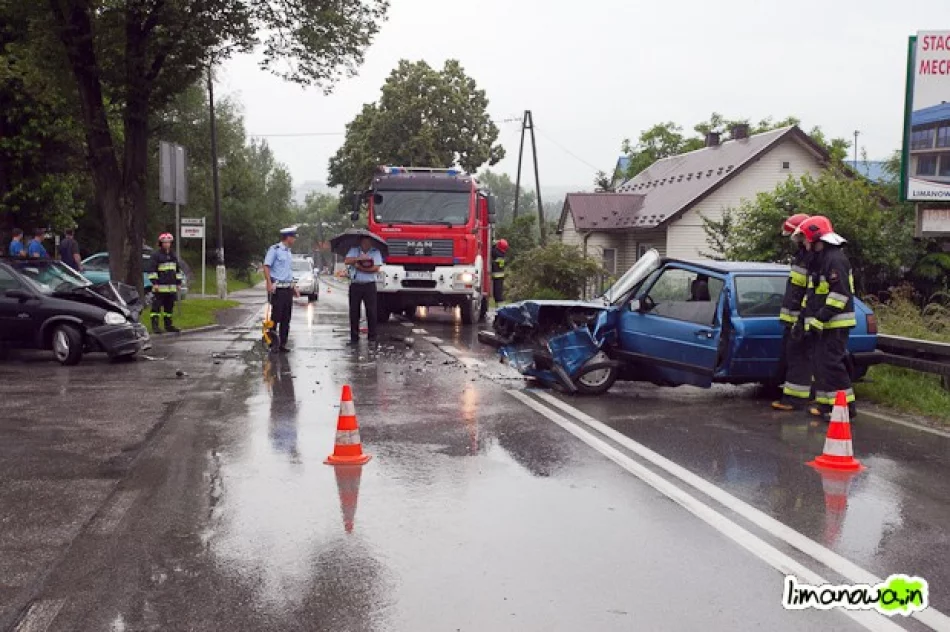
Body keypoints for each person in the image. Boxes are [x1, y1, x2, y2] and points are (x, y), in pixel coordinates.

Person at [797, 216, 857, 421]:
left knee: (832, 364)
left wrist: (819, 319)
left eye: (805, 239)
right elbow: (814, 295)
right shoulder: (821, 260)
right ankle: (825, 404)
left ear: (816, 239)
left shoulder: (835, 259)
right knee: (820, 365)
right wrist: (803, 320)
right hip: (824, 323)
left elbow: (840, 294)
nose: (804, 244)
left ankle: (846, 407)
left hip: (835, 322)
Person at [772, 213, 813, 412]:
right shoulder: (802, 255)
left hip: (801, 318)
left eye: (795, 235)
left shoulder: (810, 257)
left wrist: (800, 320)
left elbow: (806, 292)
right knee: (794, 357)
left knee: (799, 359)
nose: (793, 240)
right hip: (794, 318)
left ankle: (795, 400)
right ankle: (794, 397)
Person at [264, 227, 299, 352]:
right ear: (288, 237)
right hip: (277, 289)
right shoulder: (275, 250)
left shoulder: (289, 252)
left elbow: (288, 272)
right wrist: (268, 282)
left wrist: (294, 287)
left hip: (287, 288)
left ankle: (283, 343)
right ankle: (272, 342)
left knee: (286, 318)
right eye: (293, 237)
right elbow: (266, 266)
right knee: (276, 317)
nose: (294, 239)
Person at [344, 235, 383, 345]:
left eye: (368, 242)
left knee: (371, 311)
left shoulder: (375, 252)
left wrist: (360, 268)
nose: (366, 244)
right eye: (364, 242)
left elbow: (376, 268)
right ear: (361, 242)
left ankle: (372, 337)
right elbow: (347, 261)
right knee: (354, 311)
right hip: (356, 284)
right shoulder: (354, 250)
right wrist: (358, 259)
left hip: (369, 285)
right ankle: (354, 337)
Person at [146, 233, 183, 334]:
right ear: (161, 243)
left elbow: (177, 270)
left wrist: (179, 283)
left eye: (169, 242)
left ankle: (168, 325)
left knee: (169, 308)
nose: (167, 244)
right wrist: (155, 283)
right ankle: (155, 326)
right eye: (165, 242)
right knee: (156, 308)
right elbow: (151, 270)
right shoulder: (156, 255)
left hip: (171, 288)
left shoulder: (173, 255)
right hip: (160, 288)